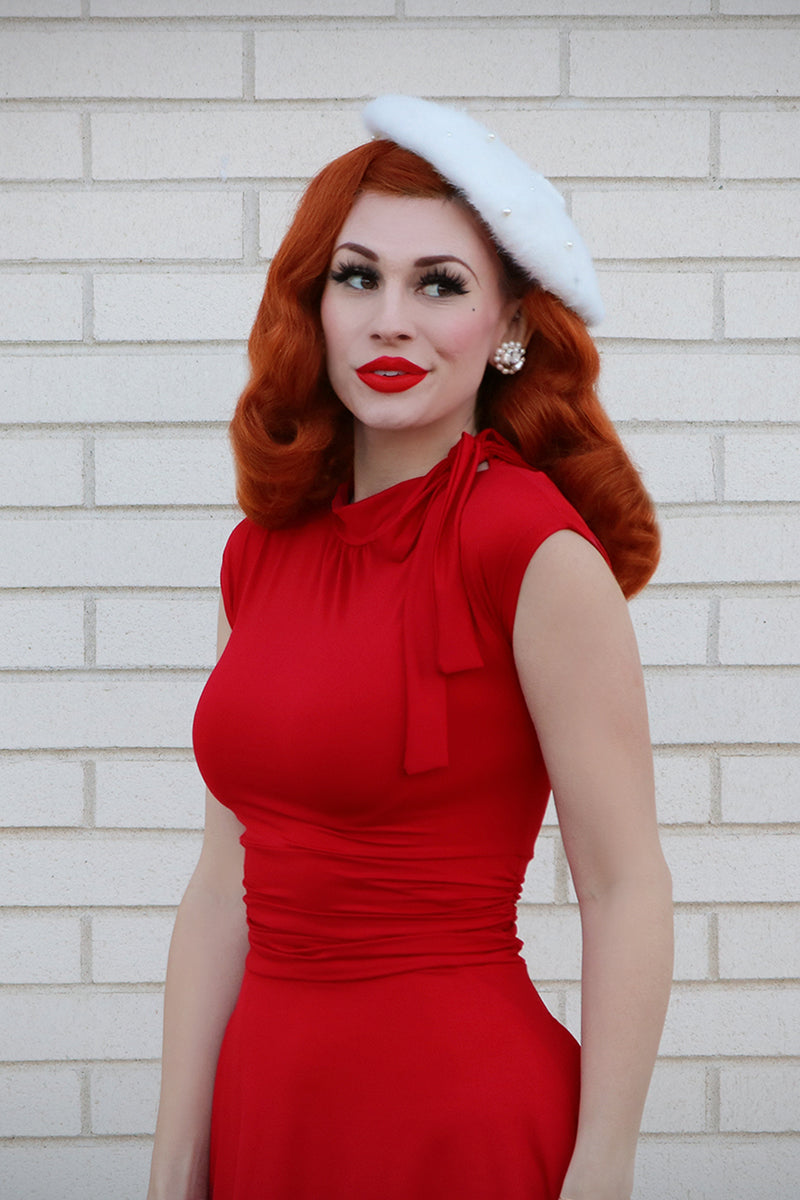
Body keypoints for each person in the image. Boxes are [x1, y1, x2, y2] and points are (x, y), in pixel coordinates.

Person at [147, 95, 673, 1200]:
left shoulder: (530, 548)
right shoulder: (260, 551)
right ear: (315, 307)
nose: (391, 318)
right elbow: (220, 877)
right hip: (267, 1112)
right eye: (357, 276)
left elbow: (623, 886)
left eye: (439, 283)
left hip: (458, 1125)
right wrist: (174, 1161)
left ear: (510, 325)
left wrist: (602, 1178)